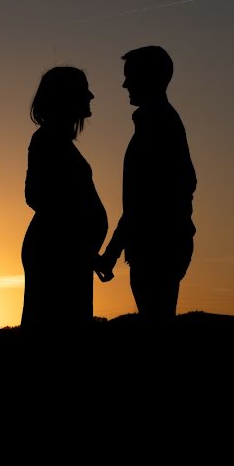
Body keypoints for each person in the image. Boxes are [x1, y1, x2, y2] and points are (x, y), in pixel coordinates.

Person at [97, 46, 196, 322]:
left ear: (149, 78)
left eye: (130, 76)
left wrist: (112, 252)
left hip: (157, 249)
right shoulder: (158, 122)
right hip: (159, 246)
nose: (124, 84)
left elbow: (144, 201)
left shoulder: (159, 124)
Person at [21, 66, 108, 334]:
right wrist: (80, 244)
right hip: (56, 257)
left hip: (69, 255)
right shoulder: (46, 141)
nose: (91, 96)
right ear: (66, 97)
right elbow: (37, 196)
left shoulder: (57, 142)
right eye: (84, 91)